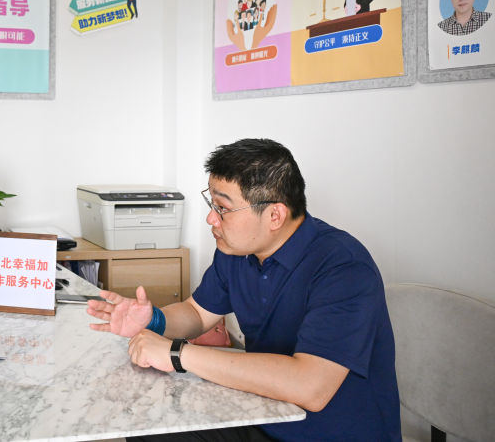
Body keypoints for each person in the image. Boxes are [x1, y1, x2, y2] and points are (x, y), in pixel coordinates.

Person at [87, 138, 399, 441]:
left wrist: (177, 354)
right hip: (262, 415)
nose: (211, 218)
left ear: (274, 215)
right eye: (212, 204)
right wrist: (154, 321)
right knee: (148, 424)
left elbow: (310, 387)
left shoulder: (343, 267)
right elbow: (197, 312)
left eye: (222, 208)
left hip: (328, 432)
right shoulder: (237, 251)